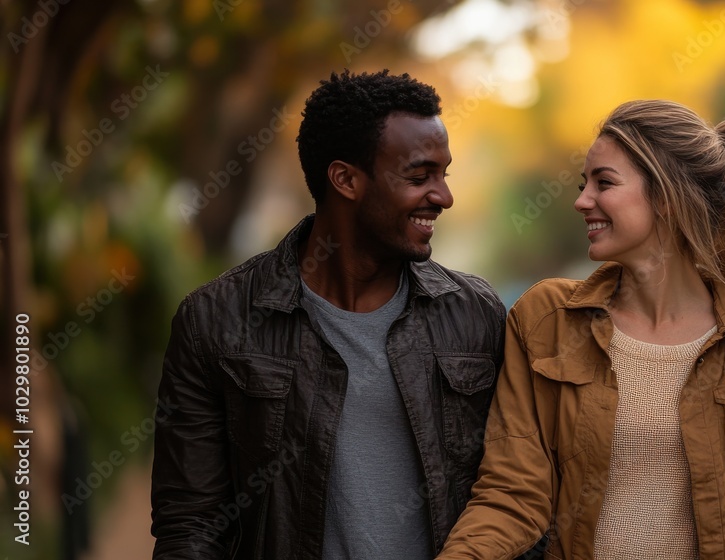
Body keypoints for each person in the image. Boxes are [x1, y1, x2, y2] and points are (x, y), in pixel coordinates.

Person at [437, 99, 725, 559]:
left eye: (605, 183)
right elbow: (513, 494)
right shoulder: (547, 320)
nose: (581, 200)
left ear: (666, 197)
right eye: (584, 184)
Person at [151, 69, 505, 559]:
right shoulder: (217, 321)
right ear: (345, 179)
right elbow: (191, 527)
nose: (443, 196)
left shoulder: (476, 318)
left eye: (444, 175)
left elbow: (516, 498)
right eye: (420, 176)